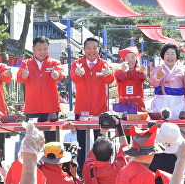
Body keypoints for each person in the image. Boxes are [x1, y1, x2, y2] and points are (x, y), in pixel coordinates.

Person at [70, 37, 114, 170]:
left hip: (100, 111)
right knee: (81, 144)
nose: (91, 51)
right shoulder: (77, 64)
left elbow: (110, 80)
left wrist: (107, 74)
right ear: (83, 49)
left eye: (94, 48)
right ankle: (82, 170)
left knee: (101, 144)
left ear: (99, 49)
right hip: (81, 110)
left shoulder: (104, 64)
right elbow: (73, 77)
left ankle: (101, 169)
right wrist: (78, 73)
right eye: (88, 48)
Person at [17, 36, 65, 142]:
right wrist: (24, 75)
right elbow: (19, 77)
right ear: (33, 49)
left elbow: (60, 73)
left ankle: (51, 158)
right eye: (39, 49)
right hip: (32, 109)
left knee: (52, 141)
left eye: (45, 49)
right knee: (32, 140)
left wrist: (56, 74)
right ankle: (34, 159)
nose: (42, 52)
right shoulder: (26, 63)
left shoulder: (54, 63)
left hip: (51, 108)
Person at [149, 44, 185, 119]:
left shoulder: (182, 71)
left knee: (179, 128)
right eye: (167, 54)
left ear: (177, 57)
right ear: (163, 56)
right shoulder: (157, 69)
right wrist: (158, 76)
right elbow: (153, 83)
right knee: (161, 127)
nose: (170, 56)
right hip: (160, 102)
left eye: (172, 54)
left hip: (178, 103)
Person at [115, 46, 146, 111]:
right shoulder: (118, 71)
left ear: (136, 59)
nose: (130, 60)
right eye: (127, 57)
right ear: (124, 60)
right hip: (123, 105)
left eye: (133, 57)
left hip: (138, 106)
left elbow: (142, 77)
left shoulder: (140, 71)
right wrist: (123, 71)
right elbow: (119, 78)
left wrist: (140, 72)